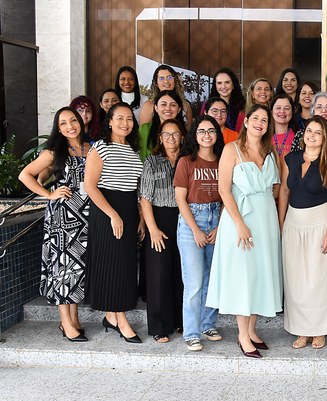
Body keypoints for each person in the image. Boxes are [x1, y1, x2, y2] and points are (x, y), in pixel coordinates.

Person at [206, 105, 283, 358]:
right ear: (246, 121)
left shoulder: (269, 151)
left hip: (266, 219)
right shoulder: (232, 149)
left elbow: (274, 189)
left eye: (265, 119)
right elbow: (224, 190)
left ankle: (251, 329)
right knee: (244, 275)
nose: (260, 123)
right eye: (256, 118)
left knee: (260, 273)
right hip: (240, 219)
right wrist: (239, 223)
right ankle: (241, 335)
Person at [18, 107, 91, 342]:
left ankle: (74, 317)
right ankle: (66, 322)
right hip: (63, 216)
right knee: (62, 268)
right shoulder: (53, 151)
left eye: (73, 120)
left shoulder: (91, 148)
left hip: (86, 217)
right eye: (63, 123)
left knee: (77, 268)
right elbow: (25, 175)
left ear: (80, 121)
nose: (70, 126)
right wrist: (48, 194)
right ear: (58, 128)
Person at [278, 115, 327, 349]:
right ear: (304, 133)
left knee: (319, 279)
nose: (312, 135)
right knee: (296, 279)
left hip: (320, 222)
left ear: (325, 137)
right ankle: (301, 329)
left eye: (318, 132)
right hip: (294, 223)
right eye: (309, 130)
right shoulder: (290, 159)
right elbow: (285, 192)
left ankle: (319, 330)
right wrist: (281, 224)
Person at [83, 102, 145, 343]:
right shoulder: (100, 148)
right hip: (107, 211)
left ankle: (111, 316)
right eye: (119, 118)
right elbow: (90, 186)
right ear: (109, 121)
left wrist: (139, 217)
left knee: (125, 265)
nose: (125, 123)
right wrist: (113, 214)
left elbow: (134, 187)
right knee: (113, 263)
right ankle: (121, 319)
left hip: (128, 210)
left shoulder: (132, 150)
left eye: (129, 118)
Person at [174, 115, 225, 352]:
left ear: (217, 134)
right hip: (191, 220)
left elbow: (228, 196)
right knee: (193, 281)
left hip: (217, 217)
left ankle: (208, 324)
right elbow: (180, 199)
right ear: (195, 135)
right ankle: (191, 332)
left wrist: (219, 225)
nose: (207, 135)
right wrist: (195, 229)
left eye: (211, 130)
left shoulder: (223, 161)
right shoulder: (186, 161)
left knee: (212, 279)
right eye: (202, 131)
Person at [139, 118, 185, 343]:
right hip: (159, 218)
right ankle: (159, 326)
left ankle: (181, 322)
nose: (171, 138)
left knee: (181, 273)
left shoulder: (188, 160)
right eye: (166, 134)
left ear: (182, 137)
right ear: (159, 138)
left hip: (184, 219)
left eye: (175, 134)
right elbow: (145, 199)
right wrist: (153, 230)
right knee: (159, 274)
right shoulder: (152, 162)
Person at [138, 90, 186, 160]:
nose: (168, 108)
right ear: (156, 108)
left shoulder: (185, 133)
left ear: (179, 109)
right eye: (163, 104)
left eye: (173, 105)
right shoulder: (145, 130)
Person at [201, 68, 246, 132]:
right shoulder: (207, 104)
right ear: (215, 86)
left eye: (227, 82)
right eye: (219, 83)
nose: (223, 86)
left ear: (233, 85)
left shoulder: (243, 106)